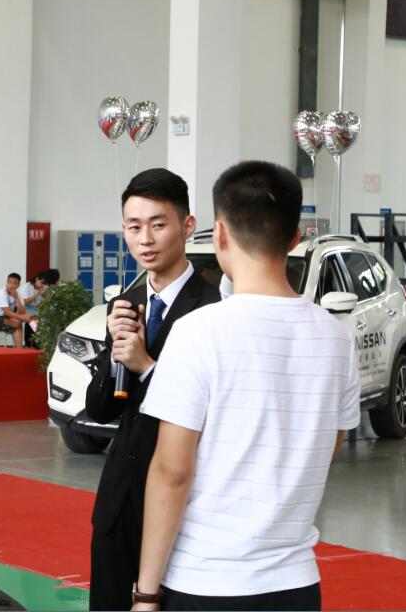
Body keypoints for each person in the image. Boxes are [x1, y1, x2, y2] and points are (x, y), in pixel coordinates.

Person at [133, 162, 359, 611]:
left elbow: (172, 472)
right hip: (296, 585)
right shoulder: (336, 337)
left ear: (219, 234)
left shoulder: (198, 332)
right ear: (296, 238)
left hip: (206, 582)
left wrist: (146, 592)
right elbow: (328, 445)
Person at [83, 168, 221, 611]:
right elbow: (100, 409)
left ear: (187, 226)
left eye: (158, 225)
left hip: (181, 508)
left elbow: (210, 412)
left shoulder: (212, 309)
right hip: (119, 503)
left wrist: (146, 367)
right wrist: (115, 356)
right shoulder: (126, 304)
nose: (144, 239)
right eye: (133, 226)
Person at [0, 273, 33, 348]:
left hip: (3, 318)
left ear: (18, 285)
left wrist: (16, 298)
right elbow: (7, 312)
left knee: (21, 322)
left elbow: (23, 311)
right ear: (6, 282)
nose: (11, 285)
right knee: (17, 323)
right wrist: (22, 317)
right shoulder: (1, 293)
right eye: (9, 282)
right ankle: (20, 350)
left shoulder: (17, 294)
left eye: (14, 283)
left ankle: (20, 350)